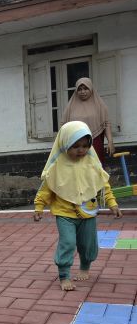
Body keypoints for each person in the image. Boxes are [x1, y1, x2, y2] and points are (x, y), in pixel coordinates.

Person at [34, 121, 122, 291]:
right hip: (64, 213)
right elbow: (46, 188)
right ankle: (64, 275)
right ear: (65, 143)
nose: (81, 150)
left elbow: (103, 186)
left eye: (84, 146)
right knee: (67, 242)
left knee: (87, 244)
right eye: (75, 146)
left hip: (87, 212)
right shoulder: (56, 167)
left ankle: (85, 266)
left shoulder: (92, 164)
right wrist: (39, 207)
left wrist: (112, 204)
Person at [62, 77, 114, 165]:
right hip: (75, 144)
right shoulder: (70, 106)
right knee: (79, 169)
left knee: (95, 166)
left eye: (86, 88)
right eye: (80, 89)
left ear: (91, 89)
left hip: (95, 141)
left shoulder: (100, 105)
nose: (83, 92)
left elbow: (106, 124)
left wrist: (110, 142)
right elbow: (63, 126)